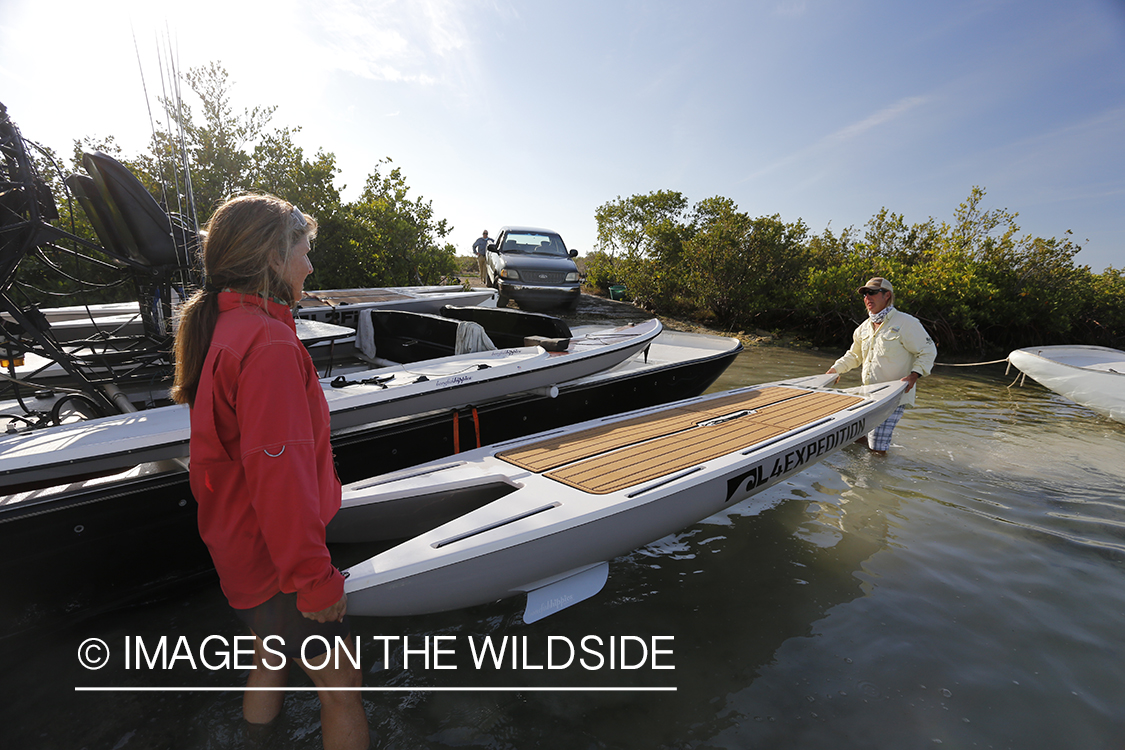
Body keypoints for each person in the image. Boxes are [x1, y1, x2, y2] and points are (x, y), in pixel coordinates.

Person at [171, 194, 369, 750]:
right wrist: (313, 577)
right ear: (273, 260)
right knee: (342, 685)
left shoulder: (225, 329)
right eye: (304, 252)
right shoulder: (269, 343)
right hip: (276, 555)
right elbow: (278, 478)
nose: (310, 265)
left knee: (270, 657)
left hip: (239, 542)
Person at [827, 276, 937, 456]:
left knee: (877, 447)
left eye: (872, 293)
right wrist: (835, 369)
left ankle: (876, 478)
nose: (867, 297)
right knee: (856, 438)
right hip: (868, 395)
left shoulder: (906, 323)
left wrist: (915, 375)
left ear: (887, 295)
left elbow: (928, 350)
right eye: (864, 294)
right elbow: (854, 355)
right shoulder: (863, 328)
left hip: (894, 396)